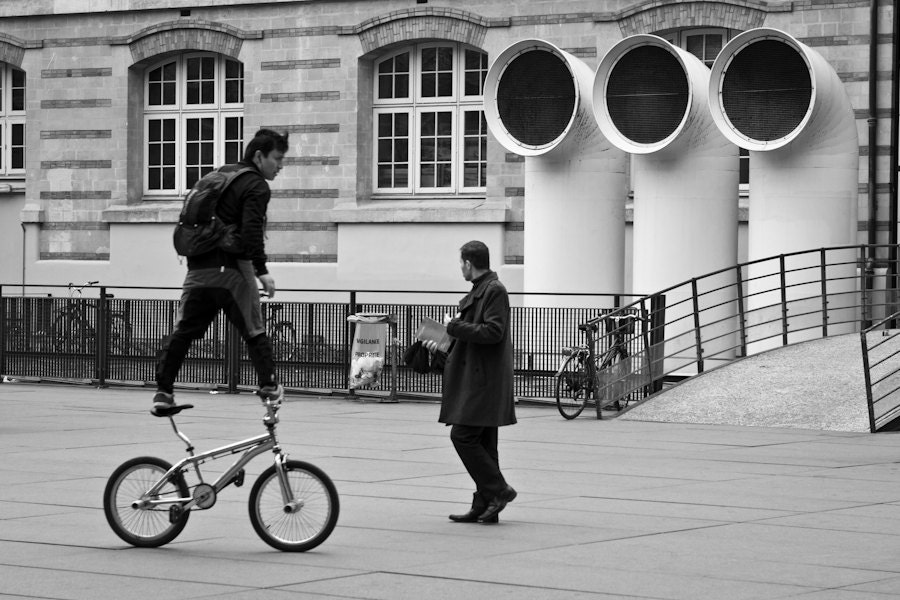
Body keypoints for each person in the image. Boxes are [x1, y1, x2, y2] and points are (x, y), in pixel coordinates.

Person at [151, 129, 289, 416]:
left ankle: (163, 392)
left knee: (183, 332)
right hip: (233, 272)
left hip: (198, 269)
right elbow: (251, 232)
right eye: (277, 158)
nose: (280, 165)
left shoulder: (223, 175)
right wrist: (262, 271)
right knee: (254, 330)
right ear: (259, 155)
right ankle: (269, 388)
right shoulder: (256, 185)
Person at [424, 241, 517, 523]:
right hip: (480, 376)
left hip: (483, 381)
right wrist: (444, 340)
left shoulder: (494, 290)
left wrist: (453, 326)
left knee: (462, 436)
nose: (460, 268)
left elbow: (493, 332)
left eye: (461, 263)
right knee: (485, 444)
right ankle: (485, 504)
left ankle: (499, 490)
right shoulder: (483, 288)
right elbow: (477, 335)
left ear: (468, 263)